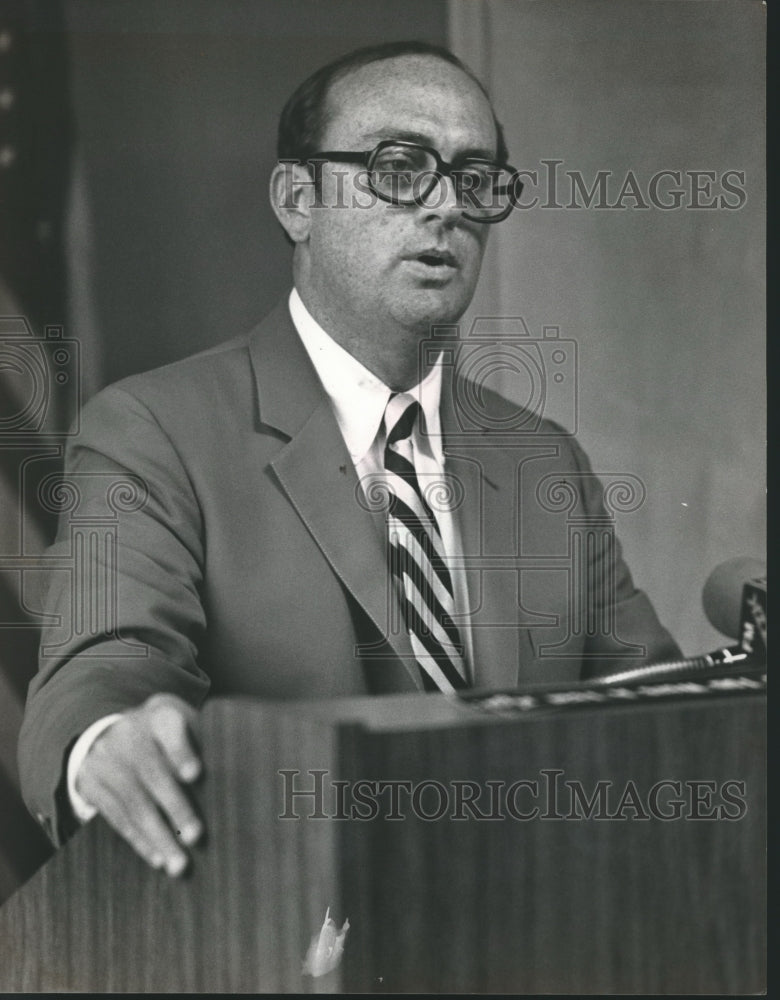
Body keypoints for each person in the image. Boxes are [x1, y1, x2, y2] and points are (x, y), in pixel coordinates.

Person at [18, 41, 679, 878]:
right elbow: (103, 670)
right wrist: (107, 743)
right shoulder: (154, 429)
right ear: (298, 200)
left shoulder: (546, 463)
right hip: (281, 932)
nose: (446, 207)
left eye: (475, 180)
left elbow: (656, 711)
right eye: (400, 167)